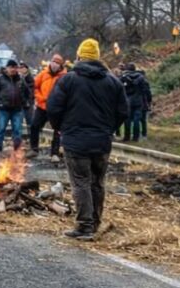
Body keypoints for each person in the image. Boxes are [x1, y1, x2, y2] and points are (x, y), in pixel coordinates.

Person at [46, 38, 128, 241]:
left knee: (81, 182)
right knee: (97, 182)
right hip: (102, 141)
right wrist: (109, 129)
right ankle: (95, 222)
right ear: (97, 57)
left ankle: (84, 226)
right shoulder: (113, 82)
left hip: (75, 140)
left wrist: (60, 128)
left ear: (79, 56)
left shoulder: (68, 80)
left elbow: (53, 108)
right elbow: (123, 112)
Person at [30, 54, 67, 162]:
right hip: (42, 106)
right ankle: (34, 149)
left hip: (56, 108)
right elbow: (35, 87)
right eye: (54, 62)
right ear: (50, 62)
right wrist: (39, 97)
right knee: (34, 125)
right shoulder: (43, 73)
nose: (55, 64)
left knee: (57, 130)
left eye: (57, 63)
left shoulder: (64, 76)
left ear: (60, 65)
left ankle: (54, 153)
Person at [0, 59, 32, 152]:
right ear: (7, 68)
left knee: (17, 130)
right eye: (11, 67)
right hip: (3, 109)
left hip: (17, 109)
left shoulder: (21, 79)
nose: (13, 69)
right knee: (1, 129)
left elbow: (28, 92)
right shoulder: (0, 79)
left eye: (15, 67)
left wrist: (25, 102)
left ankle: (17, 151)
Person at [119, 63, 151, 142]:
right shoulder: (141, 77)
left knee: (127, 119)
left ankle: (126, 137)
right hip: (138, 100)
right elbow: (145, 90)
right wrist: (147, 101)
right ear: (135, 69)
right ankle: (135, 137)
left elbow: (119, 88)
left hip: (127, 100)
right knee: (137, 119)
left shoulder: (123, 77)